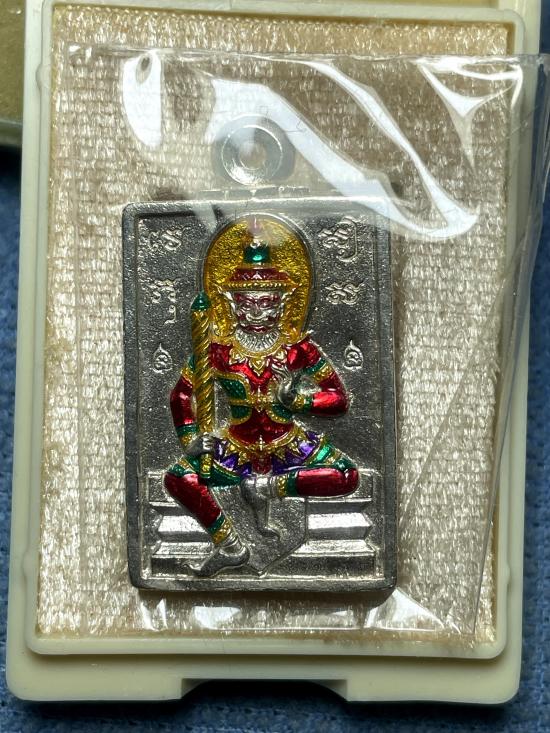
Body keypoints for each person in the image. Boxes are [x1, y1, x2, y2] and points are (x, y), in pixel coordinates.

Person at [164, 222, 359, 577]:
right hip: (234, 448)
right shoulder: (218, 352)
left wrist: (299, 401)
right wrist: (191, 438)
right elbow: (181, 394)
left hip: (288, 445)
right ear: (232, 303)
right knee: (177, 478)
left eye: (266, 302)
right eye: (247, 303)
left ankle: (269, 488)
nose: (256, 311)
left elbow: (339, 398)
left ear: (282, 303)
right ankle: (230, 546)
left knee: (347, 475)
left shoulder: (297, 350)